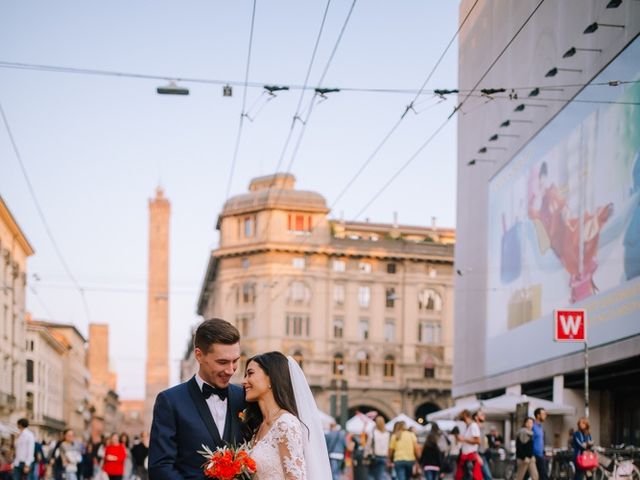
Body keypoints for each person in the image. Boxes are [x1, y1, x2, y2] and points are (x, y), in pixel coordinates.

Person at [149, 318, 247, 480]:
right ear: (199, 355)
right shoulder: (170, 401)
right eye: (222, 362)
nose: (231, 370)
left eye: (235, 361)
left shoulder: (244, 397)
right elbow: (160, 468)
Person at [241, 351, 331, 479]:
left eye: (250, 374)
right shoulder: (258, 427)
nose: (244, 381)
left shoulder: (285, 424)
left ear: (271, 378)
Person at [456, 410, 482, 480]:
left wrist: (463, 439)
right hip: (466, 457)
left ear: (467, 417)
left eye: (463, 419)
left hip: (470, 457)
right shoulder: (469, 427)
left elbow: (478, 440)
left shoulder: (473, 425)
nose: (463, 421)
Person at [367, 415, 391, 480]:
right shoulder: (387, 434)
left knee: (371, 475)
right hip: (384, 457)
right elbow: (389, 446)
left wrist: (365, 455)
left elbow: (368, 445)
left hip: (374, 457)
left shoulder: (373, 433)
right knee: (381, 475)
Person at [472, 411, 491, 480]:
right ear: (476, 417)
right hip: (478, 455)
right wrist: (477, 455)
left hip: (483, 454)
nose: (484, 415)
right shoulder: (474, 427)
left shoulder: (482, 428)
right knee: (487, 476)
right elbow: (474, 442)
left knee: (482, 476)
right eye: (481, 415)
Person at [532, 408, 547, 480]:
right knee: (543, 476)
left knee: (541, 476)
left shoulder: (540, 426)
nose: (545, 416)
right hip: (534, 456)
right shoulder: (532, 426)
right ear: (538, 415)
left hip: (540, 455)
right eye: (543, 414)